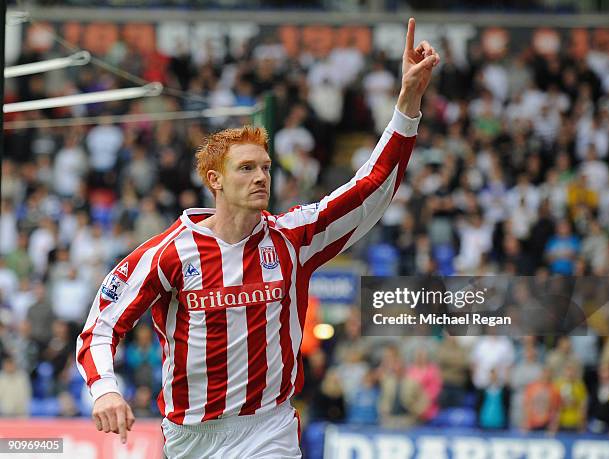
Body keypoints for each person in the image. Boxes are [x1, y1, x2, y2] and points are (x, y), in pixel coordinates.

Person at [76, 18, 439, 457]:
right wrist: (105, 390)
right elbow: (101, 325)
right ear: (215, 180)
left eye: (265, 167)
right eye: (246, 168)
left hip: (270, 428)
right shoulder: (168, 252)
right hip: (193, 436)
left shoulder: (292, 239)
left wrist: (407, 103)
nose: (261, 176)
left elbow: (371, 188)